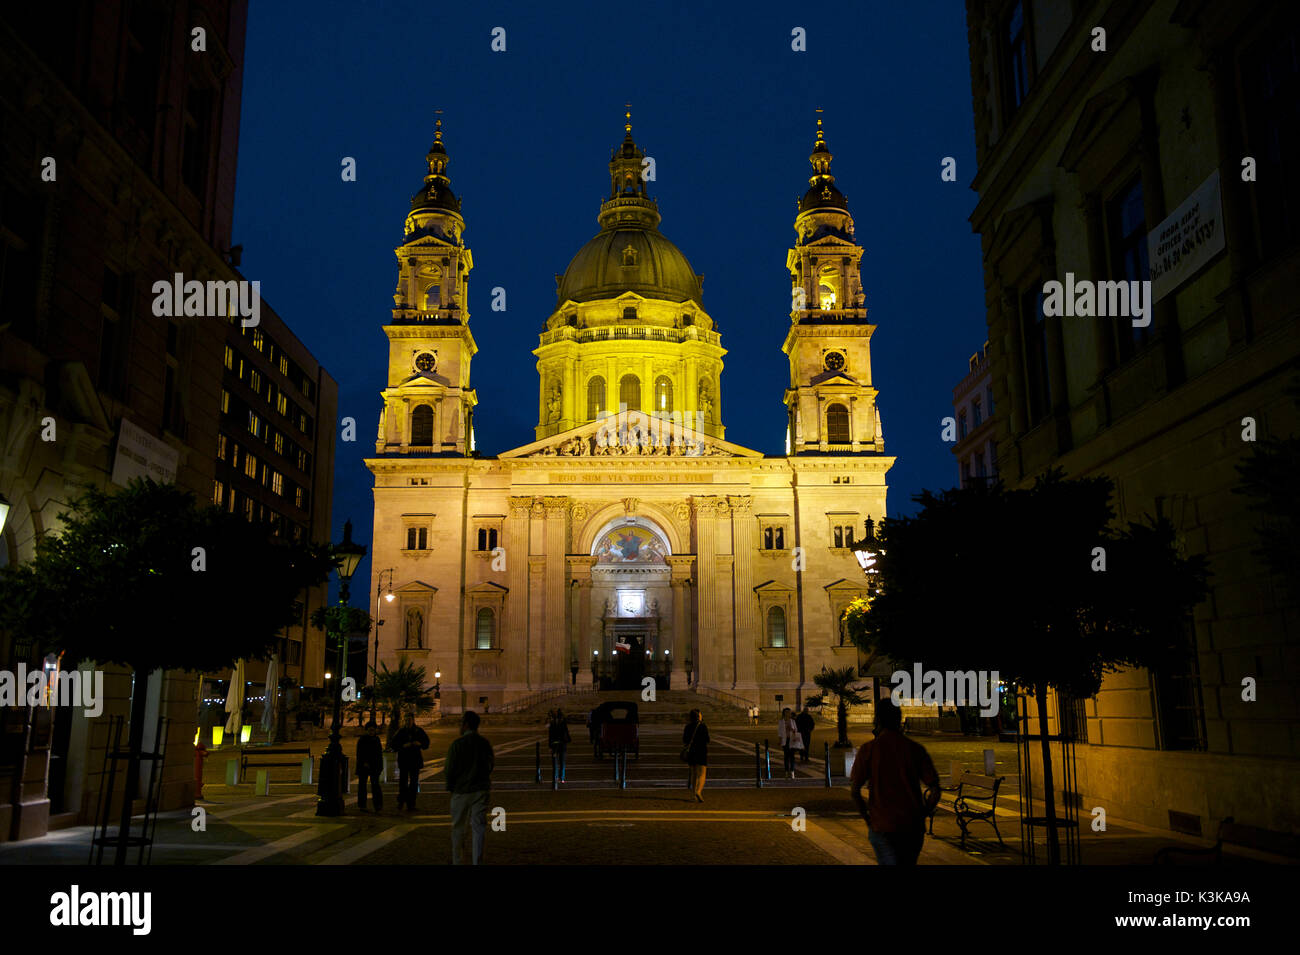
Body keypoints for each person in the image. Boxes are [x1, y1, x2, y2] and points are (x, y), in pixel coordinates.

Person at [849, 699, 941, 866]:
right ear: (898, 719)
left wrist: (867, 817)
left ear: (878, 720)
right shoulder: (915, 749)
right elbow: (935, 789)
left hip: (882, 823)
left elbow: (855, 791)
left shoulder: (869, 749)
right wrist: (924, 812)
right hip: (911, 825)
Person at [446, 710, 495, 865]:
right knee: (479, 828)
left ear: (466, 724)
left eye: (461, 723)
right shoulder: (484, 743)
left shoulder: (457, 744)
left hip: (461, 790)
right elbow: (490, 764)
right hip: (480, 790)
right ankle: (477, 861)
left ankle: (458, 861)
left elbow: (449, 769)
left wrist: (451, 786)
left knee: (459, 829)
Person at [390, 712, 429, 811]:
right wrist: (402, 746)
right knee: (403, 783)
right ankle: (401, 802)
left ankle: (411, 804)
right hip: (404, 761)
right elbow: (393, 744)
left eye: (409, 719)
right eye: (406, 720)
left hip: (415, 761)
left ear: (413, 720)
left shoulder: (418, 731)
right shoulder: (401, 731)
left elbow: (426, 743)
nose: (408, 721)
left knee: (414, 783)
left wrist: (419, 743)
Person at [355, 720, 384, 811]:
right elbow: (360, 753)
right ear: (366, 730)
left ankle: (378, 805)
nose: (371, 732)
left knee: (375, 786)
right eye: (370, 730)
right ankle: (362, 805)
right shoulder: (362, 739)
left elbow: (379, 754)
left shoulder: (376, 739)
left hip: (374, 766)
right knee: (362, 786)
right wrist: (364, 762)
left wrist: (380, 766)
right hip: (364, 766)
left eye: (373, 730)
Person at [682, 709, 709, 802]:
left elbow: (685, 740)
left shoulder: (687, 727)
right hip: (701, 751)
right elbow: (707, 739)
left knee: (693, 774)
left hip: (691, 752)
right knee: (702, 773)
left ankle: (694, 794)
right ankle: (698, 791)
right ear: (699, 716)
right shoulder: (702, 726)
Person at [778, 707, 803, 777]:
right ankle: (786, 771)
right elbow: (779, 732)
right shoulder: (781, 721)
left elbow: (796, 731)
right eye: (786, 712)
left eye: (789, 712)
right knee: (786, 757)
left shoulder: (793, 721)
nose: (788, 713)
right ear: (784, 713)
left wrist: (791, 729)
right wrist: (779, 740)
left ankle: (792, 771)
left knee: (792, 756)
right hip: (785, 741)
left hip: (792, 740)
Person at [548, 709, 571, 783]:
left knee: (556, 763)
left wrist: (550, 746)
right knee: (562, 762)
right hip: (562, 745)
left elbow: (550, 736)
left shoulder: (553, 724)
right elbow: (567, 734)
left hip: (555, 745)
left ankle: (557, 777)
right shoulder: (563, 724)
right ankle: (562, 778)